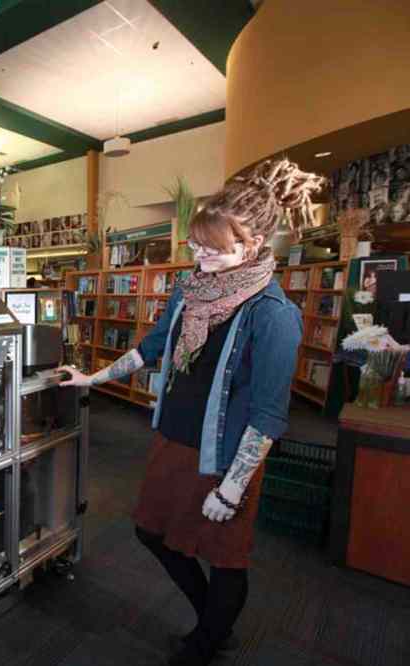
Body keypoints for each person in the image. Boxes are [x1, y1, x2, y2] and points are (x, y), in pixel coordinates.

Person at [59, 158, 325, 666]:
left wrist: (232, 487)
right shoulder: (190, 289)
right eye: (196, 244)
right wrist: (92, 378)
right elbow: (151, 348)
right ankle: (213, 621)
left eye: (211, 247)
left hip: (227, 456)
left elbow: (269, 414)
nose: (197, 254)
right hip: (174, 441)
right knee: (152, 533)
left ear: (250, 246)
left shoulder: (273, 315)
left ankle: (206, 641)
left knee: (225, 556)